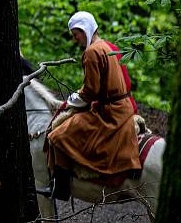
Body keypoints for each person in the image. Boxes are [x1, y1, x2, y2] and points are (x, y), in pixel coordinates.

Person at [44, 11, 141, 200]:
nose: (75, 39)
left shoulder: (91, 53)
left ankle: (61, 189)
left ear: (84, 29)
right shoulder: (108, 46)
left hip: (109, 113)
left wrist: (69, 101)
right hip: (124, 108)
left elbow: (90, 93)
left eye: (75, 34)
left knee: (56, 136)